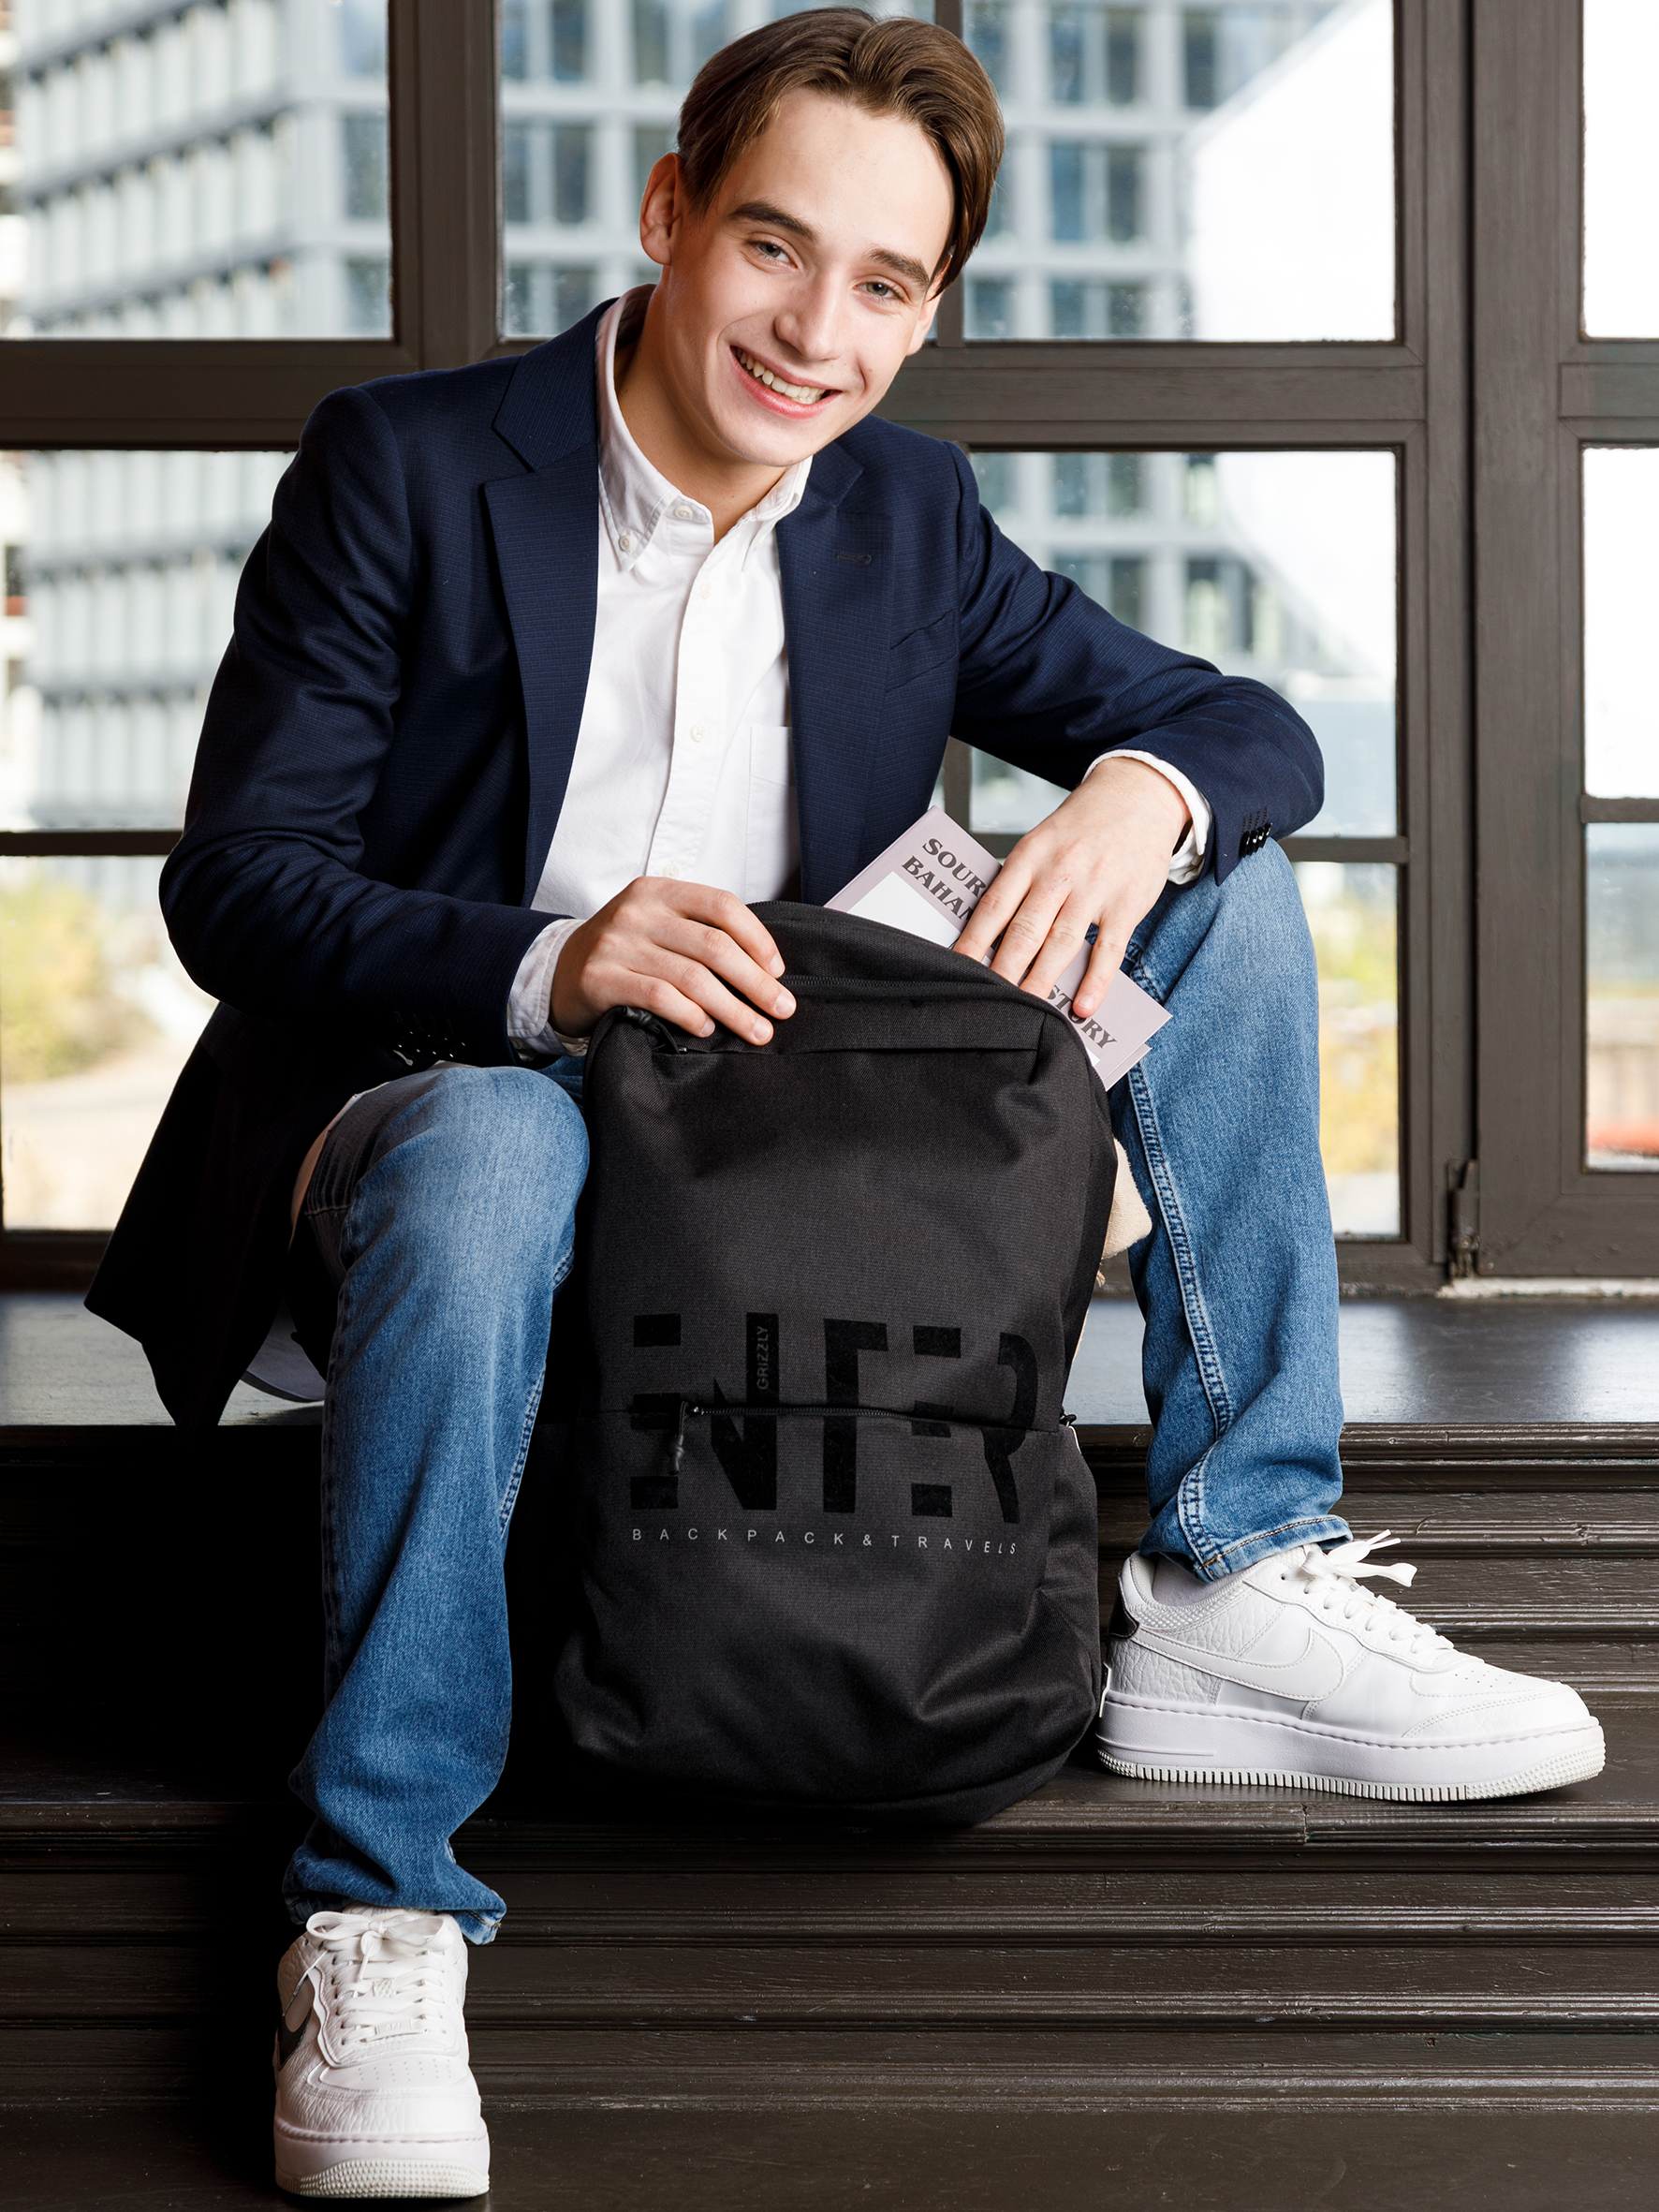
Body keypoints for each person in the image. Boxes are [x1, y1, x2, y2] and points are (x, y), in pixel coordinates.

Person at [86, 10, 1603, 2201]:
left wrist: (1139, 789)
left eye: (886, 282)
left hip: (765, 1163)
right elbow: (239, 883)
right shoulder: (405, 464)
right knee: (502, 1142)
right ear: (669, 213)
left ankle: (1232, 1569)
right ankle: (379, 1897)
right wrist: (551, 954)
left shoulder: (906, 508)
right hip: (436, 1107)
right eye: (776, 247)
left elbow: (1245, 722)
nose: (817, 331)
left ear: (930, 308)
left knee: (1219, 883)